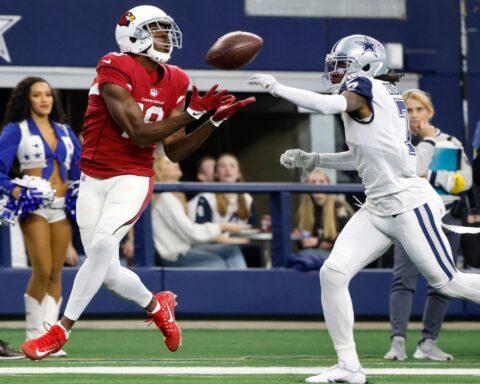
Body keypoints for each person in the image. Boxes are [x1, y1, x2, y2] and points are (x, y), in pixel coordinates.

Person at [21, 4, 254, 360]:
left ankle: (60, 331)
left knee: (99, 250)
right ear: (134, 36)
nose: (165, 37)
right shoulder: (114, 65)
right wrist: (193, 113)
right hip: (93, 177)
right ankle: (157, 305)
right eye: (157, 30)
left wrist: (212, 122)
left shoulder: (176, 78)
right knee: (108, 270)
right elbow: (140, 131)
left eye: (165, 30)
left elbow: (173, 151)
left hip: (132, 177)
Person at [249, 34, 480, 384]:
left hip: (407, 204)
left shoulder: (365, 84)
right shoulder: (379, 97)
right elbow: (366, 156)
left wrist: (278, 87)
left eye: (342, 65)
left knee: (448, 282)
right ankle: (349, 367)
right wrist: (316, 159)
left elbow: (328, 106)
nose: (336, 72)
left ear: (365, 67)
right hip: (377, 206)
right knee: (333, 273)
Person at [384, 89, 472, 362]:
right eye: (408, 110)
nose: (414, 116)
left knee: (443, 283)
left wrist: (430, 174)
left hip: (447, 216)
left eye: (418, 110)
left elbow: (464, 181)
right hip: (409, 215)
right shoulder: (396, 141)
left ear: (429, 112)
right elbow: (401, 176)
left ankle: (428, 342)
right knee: (403, 279)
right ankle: (397, 342)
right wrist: (437, 177)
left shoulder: (451, 142)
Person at [0, 77, 81, 357]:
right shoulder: (15, 130)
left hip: (62, 204)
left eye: (47, 94)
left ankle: (50, 338)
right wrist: (14, 188)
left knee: (57, 272)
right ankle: (33, 335)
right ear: (27, 99)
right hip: (34, 204)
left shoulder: (65, 130)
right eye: (37, 95)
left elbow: (79, 167)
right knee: (42, 269)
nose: (44, 99)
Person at [152, 155, 247, 268]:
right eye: (168, 163)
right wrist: (222, 227)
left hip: (186, 247)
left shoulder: (173, 194)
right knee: (217, 263)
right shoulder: (165, 197)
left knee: (232, 250)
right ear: (159, 170)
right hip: (174, 254)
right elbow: (190, 232)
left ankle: (244, 286)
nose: (176, 164)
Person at [189, 153, 262, 267]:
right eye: (222, 166)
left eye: (232, 166)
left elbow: (252, 229)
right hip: (212, 245)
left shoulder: (247, 198)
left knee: (255, 250)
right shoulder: (206, 197)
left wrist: (240, 241)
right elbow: (203, 230)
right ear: (216, 173)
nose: (227, 169)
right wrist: (232, 242)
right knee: (233, 250)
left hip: (240, 244)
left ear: (238, 173)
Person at [294, 169, 354, 261]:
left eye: (321, 182)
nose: (317, 185)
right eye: (313, 182)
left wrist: (318, 243)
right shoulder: (304, 210)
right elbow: (303, 244)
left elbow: (348, 242)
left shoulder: (340, 207)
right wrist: (299, 237)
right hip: (312, 257)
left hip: (339, 258)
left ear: (328, 185)